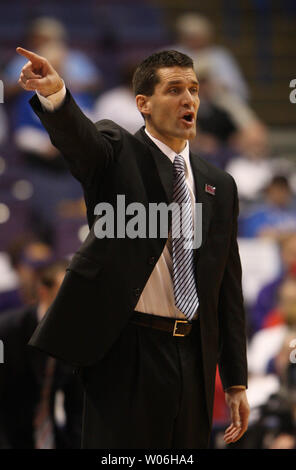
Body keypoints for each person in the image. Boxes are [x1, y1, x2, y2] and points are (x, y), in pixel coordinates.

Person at [16, 46, 249, 449]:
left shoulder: (219, 184)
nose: (189, 99)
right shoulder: (117, 151)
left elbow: (226, 288)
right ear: (143, 103)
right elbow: (81, 142)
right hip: (128, 348)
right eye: (174, 89)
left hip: (194, 352)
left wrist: (236, 380)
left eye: (193, 89)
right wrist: (56, 97)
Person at [0, 260, 83, 449]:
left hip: (50, 436)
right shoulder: (5, 333)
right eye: (66, 293)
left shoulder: (75, 337)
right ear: (43, 292)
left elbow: (76, 406)